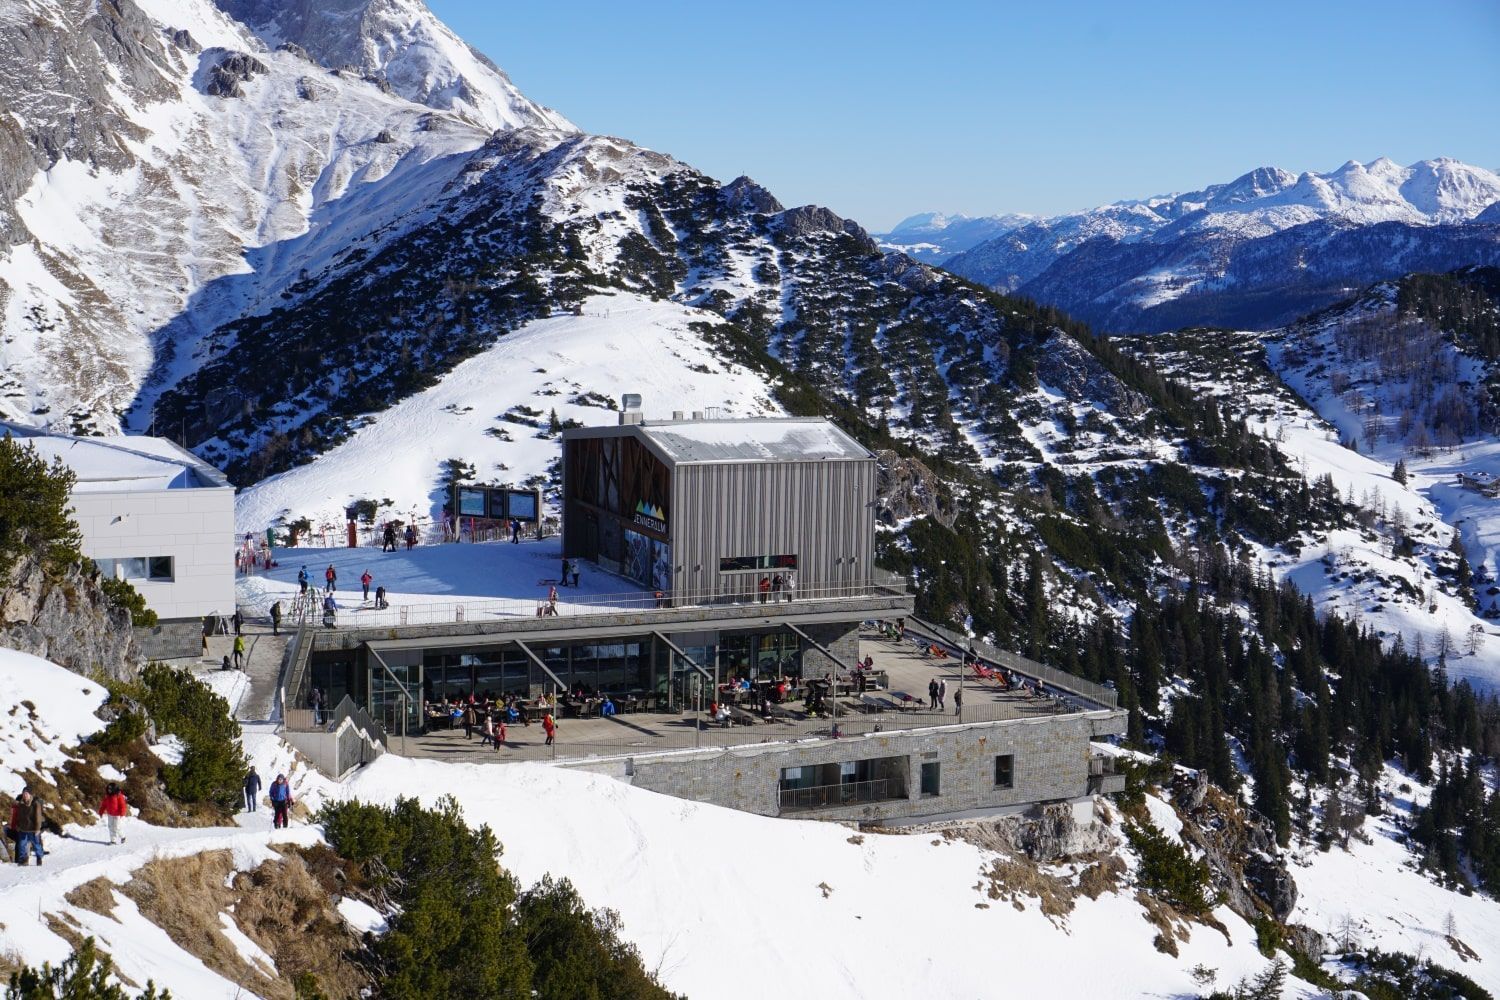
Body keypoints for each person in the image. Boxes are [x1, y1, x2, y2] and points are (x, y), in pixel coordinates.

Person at [10, 788, 44, 865]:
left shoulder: (35, 803)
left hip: (33, 829)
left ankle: (39, 857)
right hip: (23, 829)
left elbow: (38, 817)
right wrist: (18, 826)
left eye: (26, 793)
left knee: (36, 845)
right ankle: (23, 859)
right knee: (22, 845)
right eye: (24, 793)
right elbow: (18, 816)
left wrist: (37, 829)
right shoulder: (21, 804)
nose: (25, 795)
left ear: (30, 794)